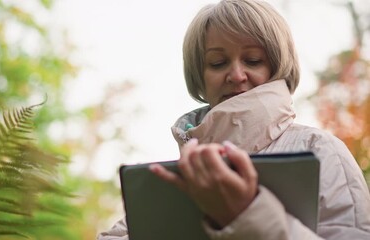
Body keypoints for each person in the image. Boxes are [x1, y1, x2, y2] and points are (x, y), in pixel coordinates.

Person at [97, 0, 370, 239]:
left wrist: (247, 214)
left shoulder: (321, 151)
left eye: (252, 60)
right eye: (217, 63)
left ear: (277, 67)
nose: (236, 75)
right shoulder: (176, 175)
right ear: (200, 77)